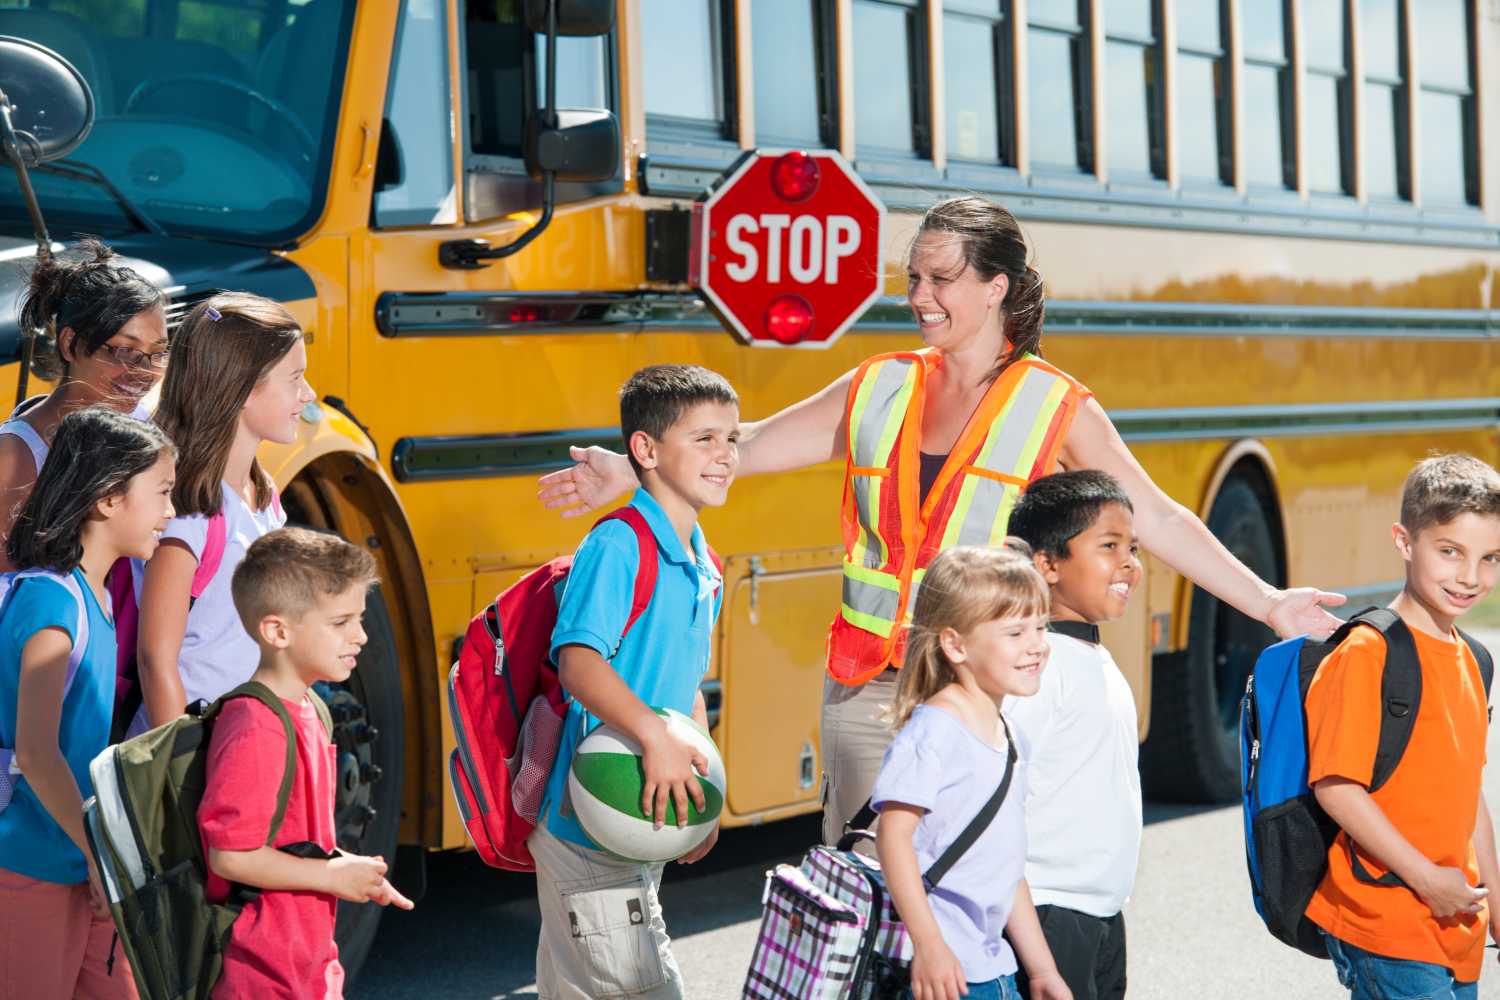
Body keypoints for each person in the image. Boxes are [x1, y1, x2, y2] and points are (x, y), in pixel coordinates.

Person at [537, 195, 1344, 845]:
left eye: (941, 279)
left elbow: (1158, 517)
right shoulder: (879, 384)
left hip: (978, 695)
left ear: (996, 287)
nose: (919, 297)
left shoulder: (1054, 405)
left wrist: (1267, 604)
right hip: (863, 693)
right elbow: (744, 447)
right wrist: (632, 468)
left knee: (963, 902)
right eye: (914, 278)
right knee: (869, 905)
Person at [530, 365, 737, 1000]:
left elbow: (688, 691)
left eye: (731, 439)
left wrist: (704, 799)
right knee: (647, 989)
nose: (724, 456)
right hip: (587, 820)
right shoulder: (621, 543)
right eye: (703, 439)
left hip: (635, 819)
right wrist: (651, 735)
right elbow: (579, 663)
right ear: (643, 451)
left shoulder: (704, 560)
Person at [1305, 454, 1500, 999]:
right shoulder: (1368, 653)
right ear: (1404, 540)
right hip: (1387, 916)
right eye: (1449, 552)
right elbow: (1336, 787)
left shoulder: (1474, 659)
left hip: (1455, 919)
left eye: (1491, 558)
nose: (1470, 576)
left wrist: (1496, 899)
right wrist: (1424, 878)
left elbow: (1468, 795)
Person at [0, 408, 176, 999]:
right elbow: (36, 751)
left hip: (79, 860)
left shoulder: (94, 592)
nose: (170, 514)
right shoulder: (51, 601)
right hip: (29, 868)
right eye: (162, 494)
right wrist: (98, 851)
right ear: (107, 499)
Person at [199, 527, 411, 999]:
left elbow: (293, 841)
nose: (360, 635)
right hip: (261, 974)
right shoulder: (256, 726)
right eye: (341, 622)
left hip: (308, 965)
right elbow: (230, 855)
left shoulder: (310, 708)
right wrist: (330, 876)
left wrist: (345, 865)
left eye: (359, 618)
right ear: (277, 631)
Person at [873, 545, 1069, 1000]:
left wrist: (1041, 969)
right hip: (942, 974)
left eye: (1041, 626)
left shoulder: (1008, 733)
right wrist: (930, 946)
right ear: (955, 645)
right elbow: (893, 838)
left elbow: (1004, 865)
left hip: (993, 969)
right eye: (1016, 632)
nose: (1037, 645)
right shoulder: (935, 731)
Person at [133, 293, 315, 734]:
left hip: (244, 746)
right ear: (243, 390)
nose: (308, 394)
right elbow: (156, 659)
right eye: (294, 379)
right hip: (194, 758)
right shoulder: (189, 515)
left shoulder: (264, 494)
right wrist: (169, 776)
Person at [1004, 471, 1141, 1000]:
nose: (1129, 562)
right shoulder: (1039, 667)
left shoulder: (1089, 654)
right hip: (1047, 914)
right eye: (1108, 546)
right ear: (1047, 564)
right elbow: (997, 805)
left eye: (1132, 547)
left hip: (1099, 910)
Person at [0, 239, 169, 568]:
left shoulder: (145, 425)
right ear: (70, 344)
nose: (144, 372)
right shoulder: (16, 455)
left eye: (158, 352)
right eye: (124, 351)